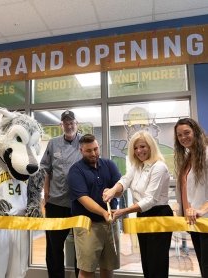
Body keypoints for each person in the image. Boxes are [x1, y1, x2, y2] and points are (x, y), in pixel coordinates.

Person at [103, 130, 173, 278]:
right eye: (135, 148)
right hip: (142, 214)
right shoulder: (137, 166)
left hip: (159, 215)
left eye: (142, 146)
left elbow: (150, 200)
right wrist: (112, 190)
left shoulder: (159, 167)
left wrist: (123, 211)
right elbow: (125, 181)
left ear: (151, 146)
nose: (139, 151)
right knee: (147, 261)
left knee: (157, 264)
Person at [68, 134, 121, 278]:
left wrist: (113, 191)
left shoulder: (109, 165)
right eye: (89, 150)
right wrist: (104, 213)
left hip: (110, 224)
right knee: (87, 269)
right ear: (81, 151)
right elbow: (84, 199)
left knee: (108, 266)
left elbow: (120, 188)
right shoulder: (75, 171)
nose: (93, 153)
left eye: (96, 149)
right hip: (88, 226)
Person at [41, 110, 82, 278]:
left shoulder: (84, 141)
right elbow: (45, 169)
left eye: (71, 122)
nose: (69, 125)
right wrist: (46, 192)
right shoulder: (53, 143)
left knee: (82, 246)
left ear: (76, 124)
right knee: (54, 247)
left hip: (80, 203)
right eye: (65, 122)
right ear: (61, 125)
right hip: (56, 204)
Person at [174, 117, 208, 277]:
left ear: (196, 131)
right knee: (203, 265)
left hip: (205, 219)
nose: (183, 138)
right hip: (195, 221)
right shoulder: (189, 157)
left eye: (186, 133)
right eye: (179, 135)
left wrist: (201, 210)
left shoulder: (207, 153)